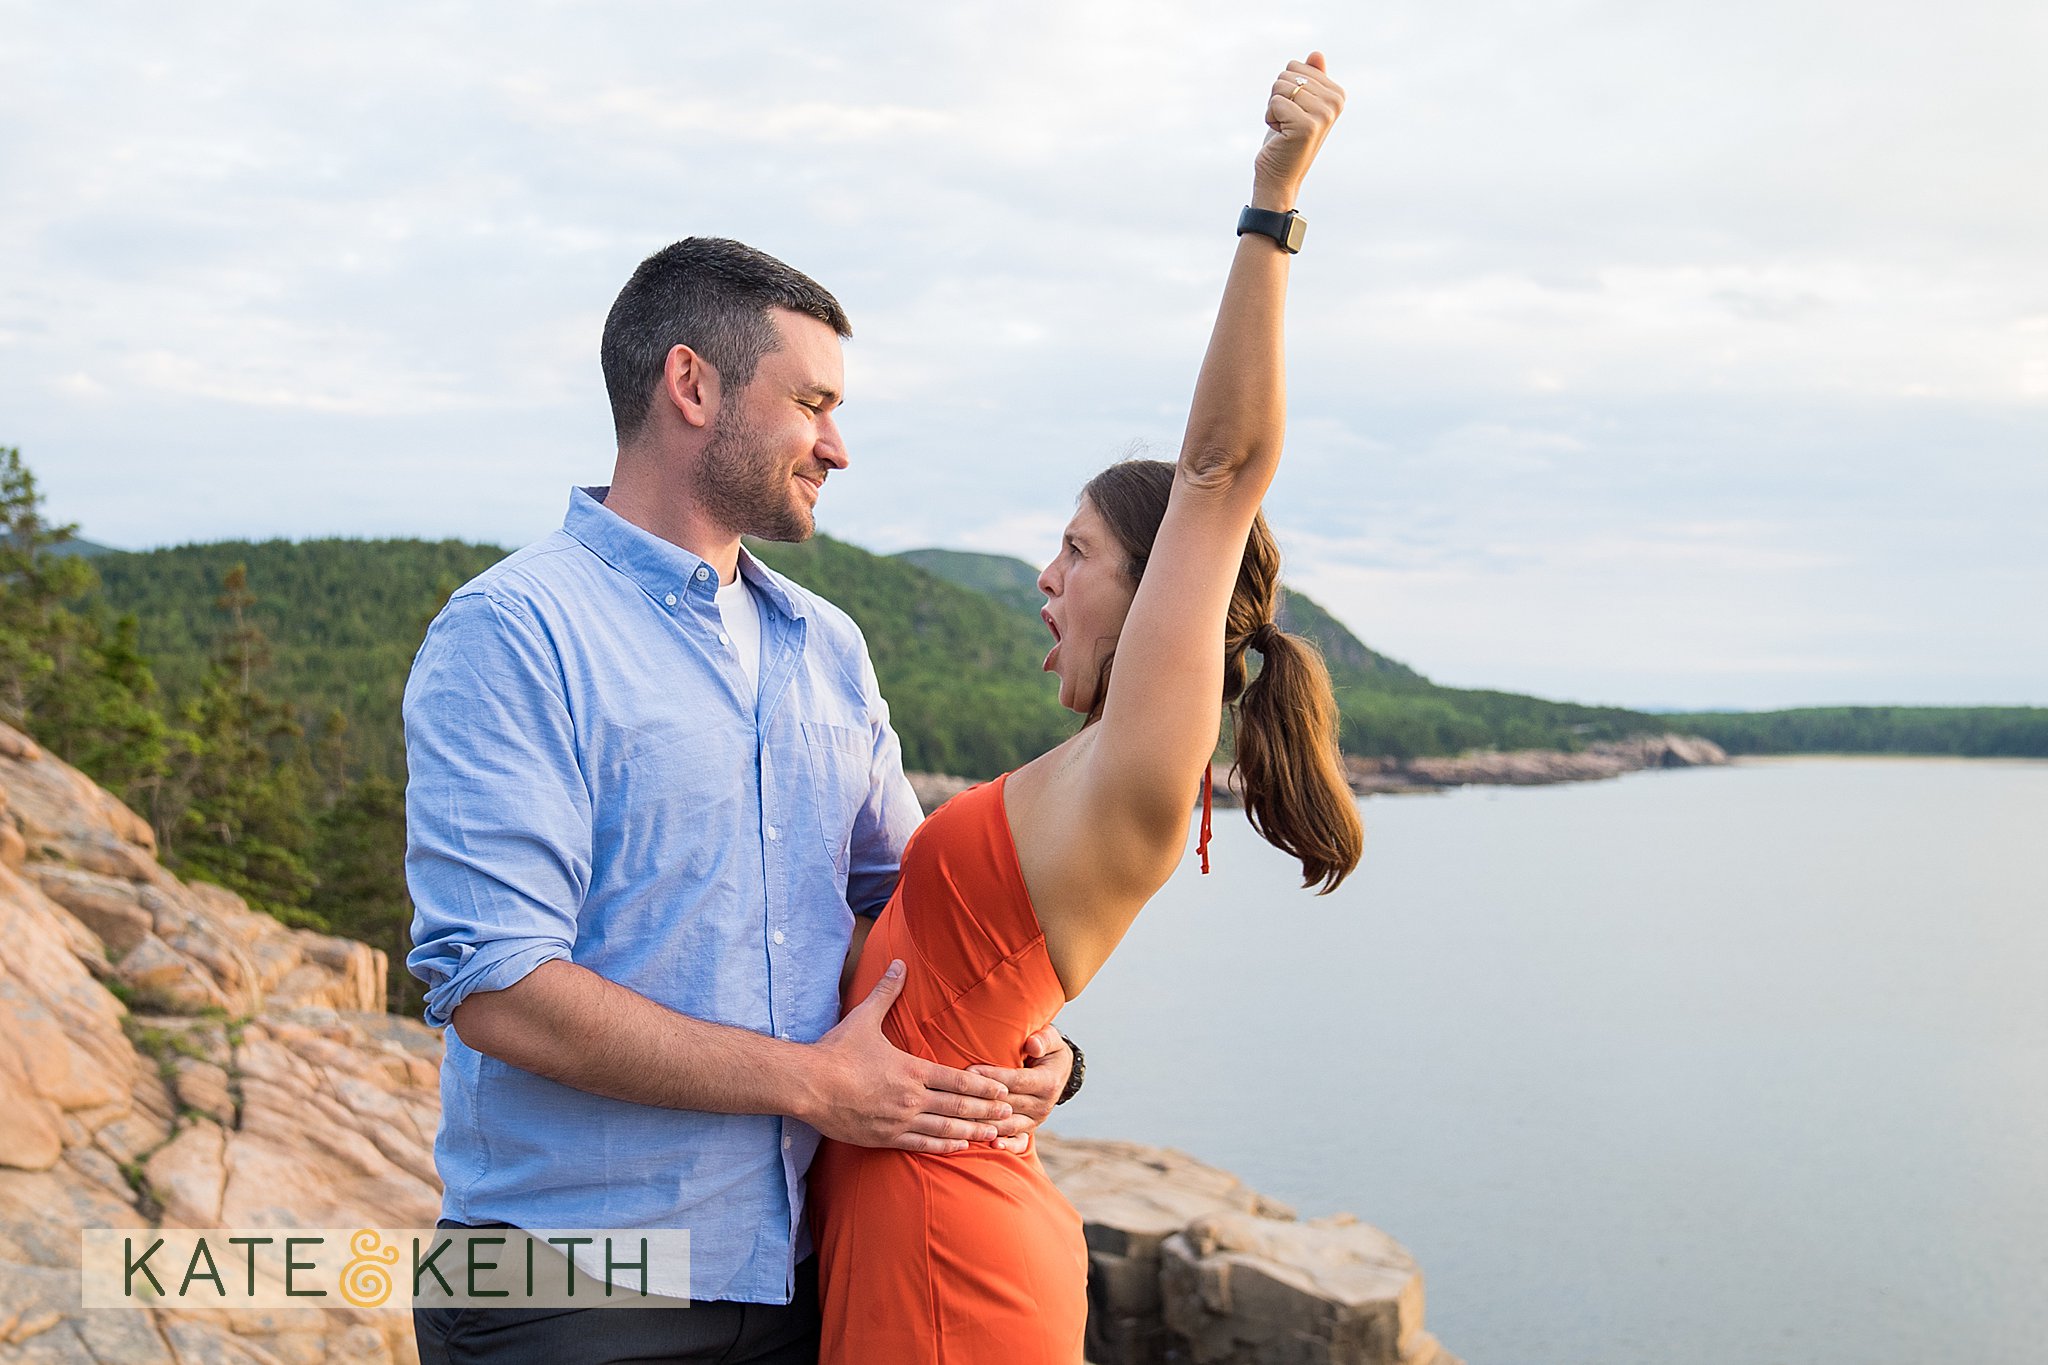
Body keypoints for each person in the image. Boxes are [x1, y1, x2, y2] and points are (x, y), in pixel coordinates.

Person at [403, 238, 1075, 1363]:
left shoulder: (826, 644)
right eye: (811, 402)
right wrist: (813, 1085)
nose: (838, 446)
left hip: (804, 1272)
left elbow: (912, 905)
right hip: (568, 1290)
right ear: (692, 386)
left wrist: (1033, 1045)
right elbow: (497, 985)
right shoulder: (511, 631)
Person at [807, 52, 1358, 1364]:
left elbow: (1221, 468)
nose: (1045, 584)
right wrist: (1057, 1061)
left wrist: (1272, 200)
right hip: (914, 1233)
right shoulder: (1083, 773)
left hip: (946, 1265)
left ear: (1158, 588)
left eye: (1077, 555)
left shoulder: (1136, 775)